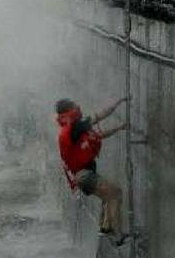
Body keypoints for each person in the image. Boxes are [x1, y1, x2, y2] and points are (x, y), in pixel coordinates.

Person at [55, 97, 129, 241]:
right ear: (68, 111)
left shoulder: (71, 131)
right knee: (115, 194)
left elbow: (99, 136)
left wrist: (119, 128)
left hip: (82, 177)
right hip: (85, 176)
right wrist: (119, 101)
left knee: (110, 196)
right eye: (74, 105)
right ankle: (118, 236)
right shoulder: (75, 128)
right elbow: (100, 115)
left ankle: (106, 228)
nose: (78, 106)